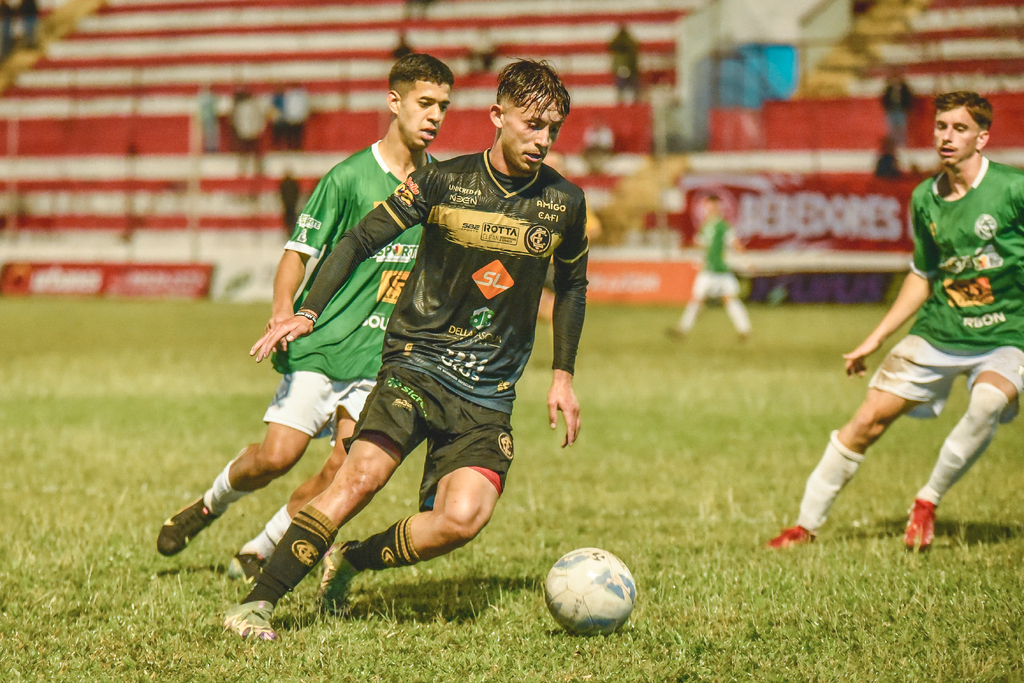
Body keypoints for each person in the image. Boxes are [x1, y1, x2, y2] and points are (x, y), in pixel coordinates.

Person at [225, 59, 589, 641]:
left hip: (487, 392)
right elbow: (359, 239)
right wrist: (307, 310)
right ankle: (257, 604)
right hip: (415, 364)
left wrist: (563, 375)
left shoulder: (564, 203)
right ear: (498, 117)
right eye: (532, 125)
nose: (543, 140)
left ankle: (350, 561)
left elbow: (572, 286)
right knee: (360, 477)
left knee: (461, 519)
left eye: (554, 129)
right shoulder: (445, 180)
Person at [156, 54, 455, 583]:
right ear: (395, 102)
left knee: (342, 470)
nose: (434, 116)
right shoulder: (348, 178)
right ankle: (207, 505)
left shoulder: (437, 188)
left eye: (443, 107)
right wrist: (282, 313)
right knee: (278, 456)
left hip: (380, 359)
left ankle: (261, 548)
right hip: (324, 343)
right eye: (424, 103)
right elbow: (297, 252)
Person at [767, 91, 1024, 551]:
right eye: (942, 126)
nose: (947, 137)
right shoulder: (926, 197)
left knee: (987, 401)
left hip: (1008, 332)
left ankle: (927, 501)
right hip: (941, 330)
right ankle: (804, 526)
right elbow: (923, 275)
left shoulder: (1012, 189)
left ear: (982, 138)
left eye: (960, 128)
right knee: (866, 420)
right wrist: (875, 338)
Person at [668, 194, 750, 340]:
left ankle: (745, 330)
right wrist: (686, 245)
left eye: (712, 206)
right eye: (707, 206)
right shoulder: (706, 225)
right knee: (703, 299)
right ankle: (682, 330)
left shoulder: (722, 226)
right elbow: (702, 243)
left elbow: (734, 242)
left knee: (726, 299)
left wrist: (744, 255)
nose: (709, 209)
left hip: (719, 269)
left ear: (717, 207)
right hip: (709, 269)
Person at [231, 88, 267, 177]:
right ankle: (257, 169)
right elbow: (261, 119)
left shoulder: (241, 107)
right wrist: (259, 130)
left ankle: (243, 170)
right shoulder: (255, 106)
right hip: (252, 132)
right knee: (255, 152)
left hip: (245, 132)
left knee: (245, 152)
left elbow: (236, 120)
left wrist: (239, 130)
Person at [608, 24, 640, 105]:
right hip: (628, 67)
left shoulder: (618, 43)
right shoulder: (629, 43)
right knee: (629, 85)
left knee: (623, 86)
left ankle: (622, 100)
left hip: (623, 67)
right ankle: (632, 100)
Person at [881, 72, 913, 148]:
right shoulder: (889, 88)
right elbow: (884, 99)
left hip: (901, 109)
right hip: (892, 109)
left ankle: (901, 144)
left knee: (901, 128)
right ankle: (893, 145)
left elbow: (909, 99)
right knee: (892, 128)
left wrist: (907, 108)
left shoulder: (905, 88)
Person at [281, 83, 310, 151]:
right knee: (293, 133)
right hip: (293, 117)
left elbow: (304, 106)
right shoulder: (290, 94)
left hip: (296, 117)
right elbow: (287, 106)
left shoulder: (300, 95)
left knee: (297, 134)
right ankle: (292, 147)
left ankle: (295, 147)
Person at [197, 86, 220, 153]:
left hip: (207, 118)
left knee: (210, 134)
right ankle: (211, 149)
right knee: (211, 134)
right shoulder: (209, 97)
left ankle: (209, 148)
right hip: (209, 118)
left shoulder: (202, 98)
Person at [278, 169, 300, 236]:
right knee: (291, 218)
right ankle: (291, 232)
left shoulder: (285, 183)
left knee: (290, 218)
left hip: (289, 204)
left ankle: (291, 232)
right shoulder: (292, 183)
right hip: (290, 204)